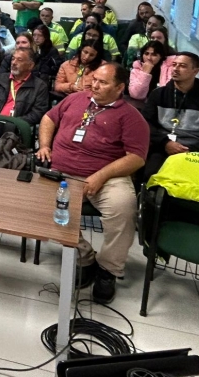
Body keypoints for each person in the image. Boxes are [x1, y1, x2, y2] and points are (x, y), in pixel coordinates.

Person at [37, 63, 149, 303]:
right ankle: (85, 257)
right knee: (44, 207)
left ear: (120, 88)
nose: (94, 85)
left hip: (107, 176)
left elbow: (137, 158)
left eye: (102, 82)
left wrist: (101, 175)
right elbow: (48, 118)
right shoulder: (76, 99)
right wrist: (45, 145)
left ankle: (108, 270)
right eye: (94, 79)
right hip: (62, 172)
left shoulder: (131, 117)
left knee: (124, 207)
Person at [141, 52, 199, 178]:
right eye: (174, 65)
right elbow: (145, 124)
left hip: (195, 151)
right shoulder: (158, 95)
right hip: (163, 147)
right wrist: (166, 143)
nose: (176, 69)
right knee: (151, 174)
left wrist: (191, 150)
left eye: (182, 66)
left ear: (195, 71)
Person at [0, 47, 49, 127]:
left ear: (30, 65)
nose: (14, 63)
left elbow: (37, 113)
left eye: (19, 60)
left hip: (16, 128)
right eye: (13, 59)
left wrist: (13, 123)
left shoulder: (40, 86)